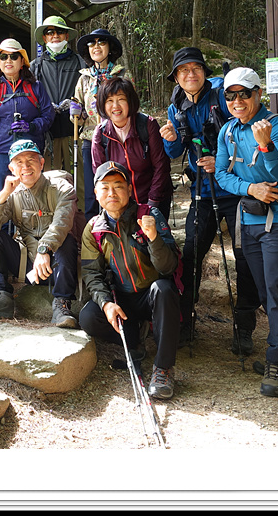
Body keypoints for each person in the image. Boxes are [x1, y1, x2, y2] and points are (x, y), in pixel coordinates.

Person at [212, 67, 278, 398]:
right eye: (230, 95)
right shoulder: (227, 131)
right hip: (250, 219)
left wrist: (265, 145)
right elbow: (222, 175)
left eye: (244, 93)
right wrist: (250, 188)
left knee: (277, 288)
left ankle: (276, 361)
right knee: (268, 291)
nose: (237, 101)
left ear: (258, 94)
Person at [159, 47, 259, 350]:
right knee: (190, 253)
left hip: (238, 190)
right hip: (202, 191)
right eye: (183, 70)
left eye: (196, 68)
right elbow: (175, 152)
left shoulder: (223, 97)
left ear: (204, 71)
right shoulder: (176, 107)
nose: (190, 74)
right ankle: (185, 320)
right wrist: (171, 140)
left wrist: (222, 160)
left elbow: (247, 134)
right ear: (176, 77)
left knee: (245, 257)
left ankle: (244, 327)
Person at [78, 161, 181, 400]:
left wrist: (153, 238)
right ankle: (134, 338)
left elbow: (168, 267)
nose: (111, 193)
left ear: (129, 189)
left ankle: (163, 368)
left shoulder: (149, 215)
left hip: (151, 297)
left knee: (164, 290)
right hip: (122, 299)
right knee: (88, 317)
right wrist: (106, 304)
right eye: (105, 187)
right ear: (96, 193)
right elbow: (92, 274)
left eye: (118, 186)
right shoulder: (94, 229)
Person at [0, 139, 85, 328]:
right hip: (27, 266)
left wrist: (44, 249)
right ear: (11, 168)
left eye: (31, 160)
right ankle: (0, 296)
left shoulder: (62, 188)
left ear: (42, 163)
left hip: (58, 265)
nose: (26, 167)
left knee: (67, 240)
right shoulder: (13, 195)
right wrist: (3, 195)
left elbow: (61, 224)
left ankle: (62, 304)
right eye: (19, 162)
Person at [0, 39, 55, 192]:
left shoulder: (35, 87)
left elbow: (48, 115)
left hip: (31, 151)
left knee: (34, 194)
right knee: (6, 195)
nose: (8, 60)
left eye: (14, 56)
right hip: (4, 152)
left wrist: (31, 126)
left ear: (22, 61)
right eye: (3, 57)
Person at [91, 76, 172, 220]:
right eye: (109, 101)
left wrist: (151, 205)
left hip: (154, 200)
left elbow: (161, 166)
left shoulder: (147, 125)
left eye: (121, 99)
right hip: (120, 205)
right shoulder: (101, 133)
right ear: (103, 104)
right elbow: (100, 175)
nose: (115, 106)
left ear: (130, 101)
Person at [30, 16, 87, 207]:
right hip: (48, 133)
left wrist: (77, 105)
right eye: (50, 32)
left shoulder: (80, 63)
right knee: (50, 179)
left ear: (67, 36)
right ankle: (52, 218)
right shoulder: (36, 66)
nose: (55, 36)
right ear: (44, 38)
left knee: (78, 179)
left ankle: (80, 218)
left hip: (75, 131)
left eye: (60, 32)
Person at [74, 28, 126, 219]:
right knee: (92, 190)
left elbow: (130, 107)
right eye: (91, 43)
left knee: (117, 186)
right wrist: (75, 112)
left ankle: (120, 227)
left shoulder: (121, 76)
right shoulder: (84, 78)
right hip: (90, 139)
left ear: (109, 47)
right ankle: (93, 231)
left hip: (117, 139)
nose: (96, 47)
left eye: (101, 42)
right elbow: (78, 114)